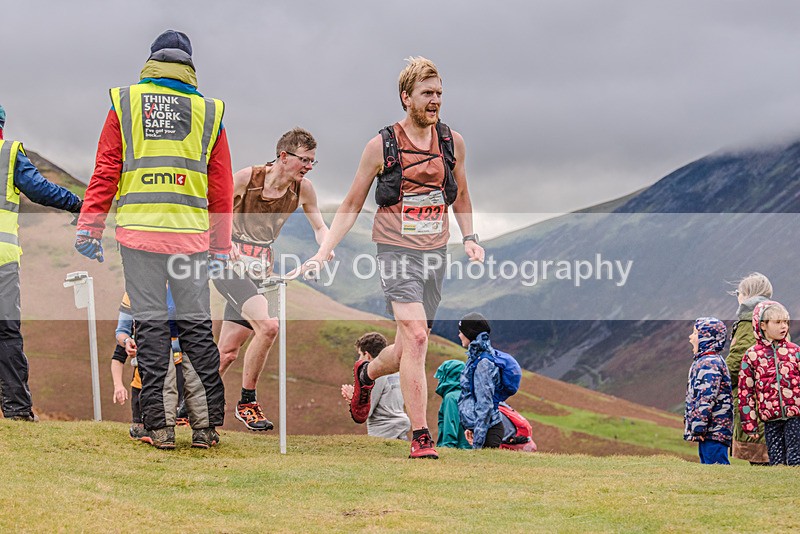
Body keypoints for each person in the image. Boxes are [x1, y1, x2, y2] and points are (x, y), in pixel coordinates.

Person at [303, 57, 485, 459]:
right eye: (427, 94)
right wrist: (325, 249)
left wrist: (470, 237)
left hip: (435, 251)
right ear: (407, 98)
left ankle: (366, 374)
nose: (435, 100)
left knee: (408, 349)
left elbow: (463, 195)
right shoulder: (381, 145)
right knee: (418, 336)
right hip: (395, 249)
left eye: (439, 93)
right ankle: (421, 437)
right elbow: (351, 203)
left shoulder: (453, 143)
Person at [75, 30, 232, 449]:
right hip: (192, 239)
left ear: (151, 62)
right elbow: (220, 186)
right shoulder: (208, 111)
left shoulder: (125, 103)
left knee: (150, 326)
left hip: (140, 234)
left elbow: (107, 168)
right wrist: (221, 246)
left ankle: (159, 429)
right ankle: (205, 427)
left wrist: (90, 226)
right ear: (189, 65)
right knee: (197, 329)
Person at [212, 128, 332, 432]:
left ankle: (188, 403)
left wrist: (324, 251)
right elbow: (212, 210)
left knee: (227, 352)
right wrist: (226, 242)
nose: (307, 166)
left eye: (312, 162)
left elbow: (320, 227)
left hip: (258, 270)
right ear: (283, 156)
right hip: (227, 264)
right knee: (268, 327)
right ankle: (247, 402)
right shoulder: (246, 178)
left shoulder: (304, 190)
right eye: (304, 160)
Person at [0, 103, 83, 421]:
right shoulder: (8, 153)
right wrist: (76, 203)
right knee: (6, 334)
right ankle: (18, 411)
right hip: (3, 261)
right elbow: (39, 189)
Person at [110, 288, 189, 441]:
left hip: (177, 374)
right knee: (141, 424)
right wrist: (118, 385)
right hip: (142, 383)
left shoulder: (178, 291)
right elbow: (118, 355)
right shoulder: (133, 335)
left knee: (178, 419)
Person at [738, 301, 800, 465]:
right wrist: (749, 423)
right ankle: (780, 488)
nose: (783, 326)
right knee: (776, 461)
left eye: (785, 322)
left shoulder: (795, 351)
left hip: (795, 416)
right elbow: (746, 392)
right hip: (770, 420)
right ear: (763, 325)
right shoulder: (751, 355)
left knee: (796, 459)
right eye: (777, 322)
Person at [726, 272, 772, 464]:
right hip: (774, 397)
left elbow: (739, 359)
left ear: (746, 294)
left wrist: (719, 379)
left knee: (759, 454)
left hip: (751, 396)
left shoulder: (748, 321)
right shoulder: (776, 319)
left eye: (738, 292)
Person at [340, 332, 410, 439]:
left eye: (360, 355)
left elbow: (366, 411)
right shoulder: (395, 371)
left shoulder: (376, 375)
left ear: (367, 355)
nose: (358, 360)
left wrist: (353, 397)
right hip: (401, 427)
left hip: (383, 432)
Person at [684, 317, 733, 465]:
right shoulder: (707, 361)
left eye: (695, 333)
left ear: (706, 338)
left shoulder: (709, 364)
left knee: (716, 469)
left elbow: (706, 398)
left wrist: (698, 427)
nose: (690, 337)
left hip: (713, 431)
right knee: (708, 467)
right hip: (710, 430)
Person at [457, 312, 505, 449]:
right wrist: (470, 426)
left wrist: (478, 442)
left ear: (470, 333)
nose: (459, 335)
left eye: (461, 332)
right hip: (482, 429)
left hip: (488, 431)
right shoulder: (475, 358)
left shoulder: (483, 363)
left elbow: (484, 403)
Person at [434, 359, 471, 449]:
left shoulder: (451, 397)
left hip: (458, 448)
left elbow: (451, 422)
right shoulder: (468, 395)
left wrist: (447, 446)